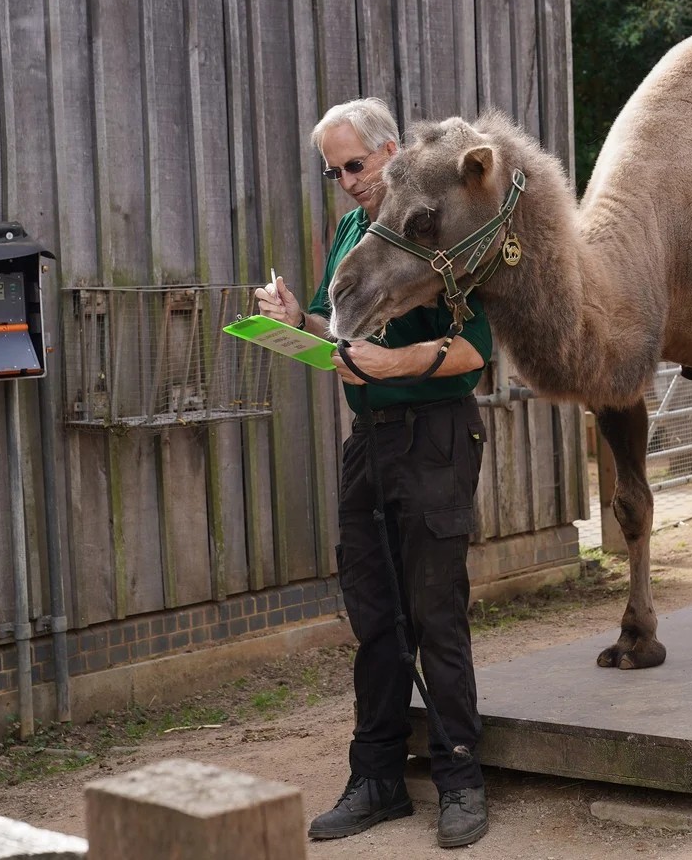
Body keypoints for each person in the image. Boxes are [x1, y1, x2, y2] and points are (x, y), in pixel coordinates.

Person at [254, 97, 492, 848]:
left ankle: (460, 780)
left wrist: (393, 363)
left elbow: (477, 348)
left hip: (436, 435)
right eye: (334, 172)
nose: (348, 181)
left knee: (436, 616)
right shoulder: (355, 230)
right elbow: (343, 330)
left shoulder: (445, 221)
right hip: (371, 439)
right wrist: (299, 323)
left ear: (391, 151)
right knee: (375, 617)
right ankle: (379, 780)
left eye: (355, 164)